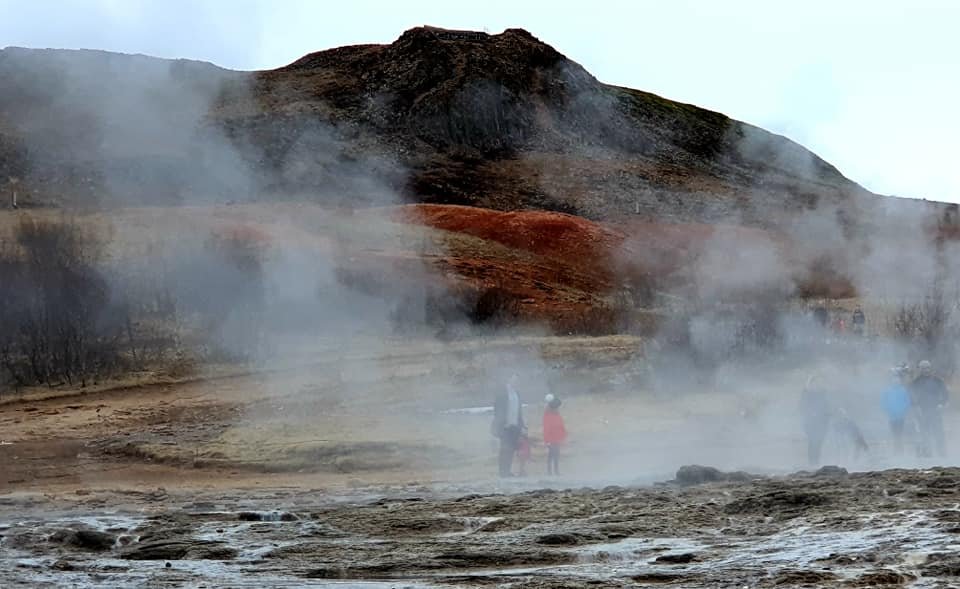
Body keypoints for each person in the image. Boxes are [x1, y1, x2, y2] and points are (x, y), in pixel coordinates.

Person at [910, 360, 949, 458]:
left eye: (927, 367)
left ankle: (942, 454)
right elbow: (911, 397)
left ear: (930, 368)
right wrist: (916, 407)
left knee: (939, 433)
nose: (926, 370)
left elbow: (945, 394)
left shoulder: (937, 381)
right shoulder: (916, 382)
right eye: (923, 368)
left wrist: (942, 404)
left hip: (935, 411)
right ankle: (927, 454)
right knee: (924, 434)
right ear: (920, 369)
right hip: (922, 412)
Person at [492, 373, 525, 477]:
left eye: (517, 380)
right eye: (514, 380)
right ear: (509, 380)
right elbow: (497, 409)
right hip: (505, 426)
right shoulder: (502, 393)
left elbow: (519, 411)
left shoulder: (517, 394)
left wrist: (522, 425)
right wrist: (499, 423)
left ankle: (507, 470)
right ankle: (502, 472)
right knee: (504, 449)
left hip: (514, 426)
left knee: (511, 449)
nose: (516, 382)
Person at [800, 374, 832, 466]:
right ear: (811, 382)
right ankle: (813, 463)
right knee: (813, 441)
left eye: (820, 381)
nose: (818, 383)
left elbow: (827, 405)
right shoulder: (806, 393)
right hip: (810, 422)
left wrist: (829, 413)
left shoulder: (824, 392)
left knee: (819, 442)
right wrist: (811, 413)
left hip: (823, 421)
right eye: (816, 382)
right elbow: (802, 407)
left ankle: (816, 462)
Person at [882, 364, 912, 454]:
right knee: (894, 434)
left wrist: (904, 411)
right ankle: (895, 450)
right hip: (891, 416)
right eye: (894, 380)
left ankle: (900, 450)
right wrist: (887, 410)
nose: (896, 381)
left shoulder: (903, 390)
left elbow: (907, 402)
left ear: (899, 381)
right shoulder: (887, 391)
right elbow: (883, 402)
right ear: (892, 381)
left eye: (897, 380)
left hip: (901, 416)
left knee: (899, 434)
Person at [542, 394, 567, 476]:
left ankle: (555, 471)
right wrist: (547, 440)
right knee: (552, 454)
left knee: (556, 454)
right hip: (551, 438)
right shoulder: (548, 414)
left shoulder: (555, 414)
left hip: (556, 437)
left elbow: (560, 424)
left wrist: (563, 433)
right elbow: (546, 428)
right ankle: (551, 472)